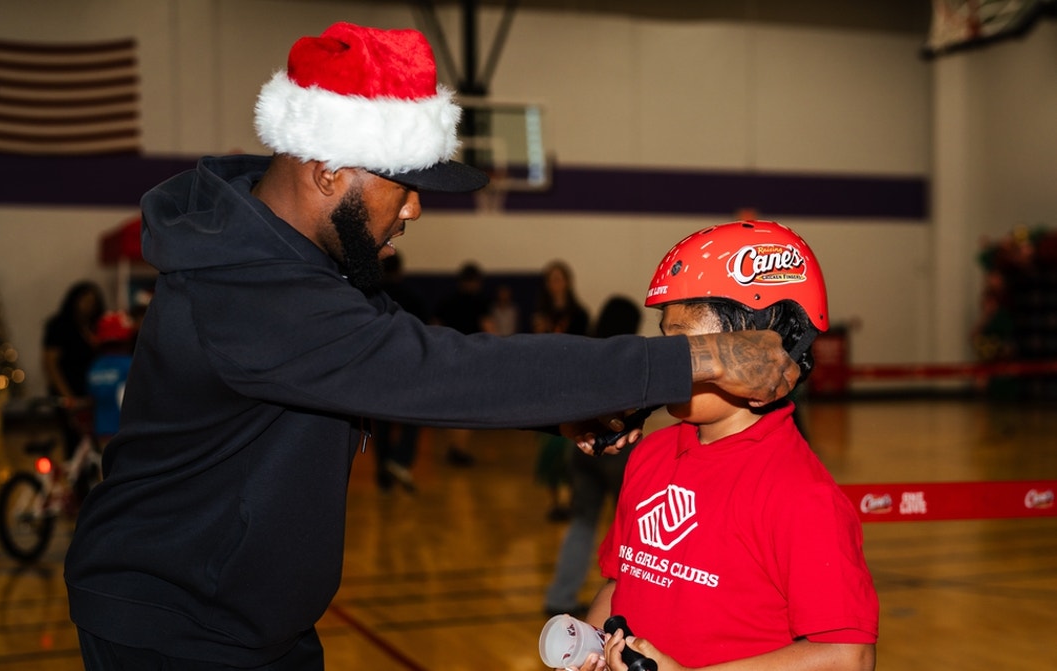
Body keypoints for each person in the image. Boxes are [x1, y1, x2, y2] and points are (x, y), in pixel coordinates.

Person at [63, 22, 799, 671]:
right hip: (178, 628)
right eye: (404, 186)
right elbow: (444, 372)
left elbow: (408, 362)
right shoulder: (249, 293)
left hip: (248, 619)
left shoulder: (297, 267)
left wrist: (561, 415)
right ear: (328, 173)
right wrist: (696, 358)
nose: (414, 208)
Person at [573, 221, 878, 671]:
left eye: (684, 345)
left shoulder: (800, 494)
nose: (665, 361)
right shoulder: (652, 454)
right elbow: (623, 583)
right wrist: (591, 646)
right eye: (664, 339)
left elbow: (848, 656)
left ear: (761, 353)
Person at [544, 295, 642, 615]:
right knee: (631, 532)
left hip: (582, 450)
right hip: (619, 452)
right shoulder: (630, 357)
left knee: (582, 523)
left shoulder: (585, 352)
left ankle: (560, 597)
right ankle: (631, 603)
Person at [533, 260, 592, 518]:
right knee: (548, 446)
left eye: (559, 278)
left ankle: (570, 499)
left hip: (572, 385)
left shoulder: (579, 314)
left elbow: (585, 349)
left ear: (567, 282)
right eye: (551, 279)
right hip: (546, 386)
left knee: (568, 445)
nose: (555, 284)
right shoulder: (540, 314)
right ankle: (554, 501)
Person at [372, 252, 427, 491]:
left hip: (378, 366)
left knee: (381, 423)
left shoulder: (370, 296)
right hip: (407, 363)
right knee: (412, 417)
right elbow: (424, 331)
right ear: (401, 270)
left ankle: (383, 475)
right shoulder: (413, 296)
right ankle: (400, 459)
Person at [432, 261, 495, 466]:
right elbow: (489, 329)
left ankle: (454, 447)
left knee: (452, 405)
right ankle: (459, 449)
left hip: (448, 357)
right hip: (471, 358)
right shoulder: (480, 302)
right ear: (477, 281)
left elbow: (434, 328)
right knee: (467, 407)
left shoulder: (446, 301)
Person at [42, 280, 105, 458]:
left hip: (92, 394)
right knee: (74, 443)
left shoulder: (96, 326)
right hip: (69, 392)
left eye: (93, 302)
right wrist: (67, 396)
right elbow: (50, 364)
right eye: (85, 301)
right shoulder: (59, 326)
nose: (88, 306)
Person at [85, 310, 136, 448]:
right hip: (128, 433)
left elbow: (92, 399)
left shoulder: (95, 366)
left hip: (102, 432)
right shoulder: (131, 365)